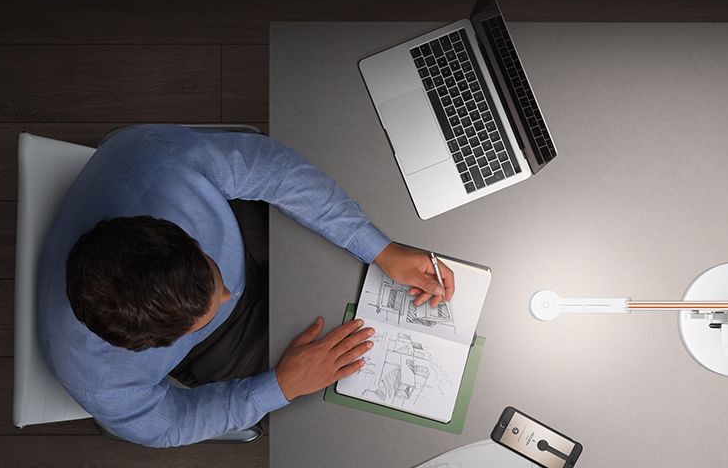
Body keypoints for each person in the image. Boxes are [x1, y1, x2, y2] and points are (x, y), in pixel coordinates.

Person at [37, 124, 455, 448]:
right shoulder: (101, 382)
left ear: (169, 232)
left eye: (212, 274)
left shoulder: (158, 160)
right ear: (153, 344)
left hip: (237, 228)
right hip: (223, 344)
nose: (227, 295)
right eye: (204, 314)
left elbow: (276, 171)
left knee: (348, 262)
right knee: (337, 398)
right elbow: (169, 425)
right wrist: (280, 386)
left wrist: (379, 248)